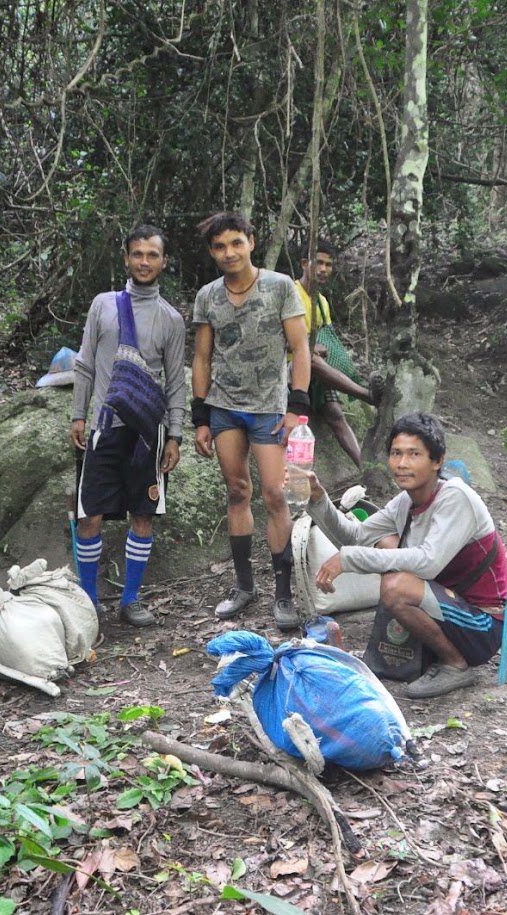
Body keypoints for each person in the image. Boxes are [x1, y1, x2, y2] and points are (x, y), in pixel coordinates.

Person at [308, 412, 507, 700]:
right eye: (396, 453)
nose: (402, 463)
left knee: (396, 586)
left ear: (437, 461)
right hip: (451, 606)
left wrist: (349, 559)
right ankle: (424, 653)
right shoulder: (406, 501)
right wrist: (317, 499)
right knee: (384, 542)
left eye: (414, 454)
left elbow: (428, 563)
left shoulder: (456, 497)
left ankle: (456, 665)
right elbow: (354, 537)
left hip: (483, 624)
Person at [191, 212, 312, 631]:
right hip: (224, 407)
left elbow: (300, 349)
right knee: (237, 490)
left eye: (236, 243)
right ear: (212, 252)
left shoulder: (280, 287)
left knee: (276, 494)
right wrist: (200, 417)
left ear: (251, 242)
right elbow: (202, 357)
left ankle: (284, 593)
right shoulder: (207, 296)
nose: (229, 253)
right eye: (220, 246)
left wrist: (297, 407)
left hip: (270, 408)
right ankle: (244, 586)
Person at [70, 225, 187, 626]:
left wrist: (174, 435)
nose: (144, 261)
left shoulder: (171, 319)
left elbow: (176, 381)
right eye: (137, 254)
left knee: (143, 514)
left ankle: (130, 600)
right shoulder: (103, 305)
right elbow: (84, 363)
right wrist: (78, 414)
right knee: (90, 515)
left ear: (164, 261)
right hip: (104, 428)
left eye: (152, 255)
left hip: (146, 435)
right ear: (126, 258)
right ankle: (88, 600)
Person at [295, 239, 376, 467]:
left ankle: (365, 469)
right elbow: (277, 338)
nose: (323, 269)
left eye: (328, 265)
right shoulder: (290, 293)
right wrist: (308, 347)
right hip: (290, 368)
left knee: (335, 414)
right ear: (304, 263)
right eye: (318, 263)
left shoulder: (321, 302)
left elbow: (327, 340)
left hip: (315, 374)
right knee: (310, 359)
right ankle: (365, 395)